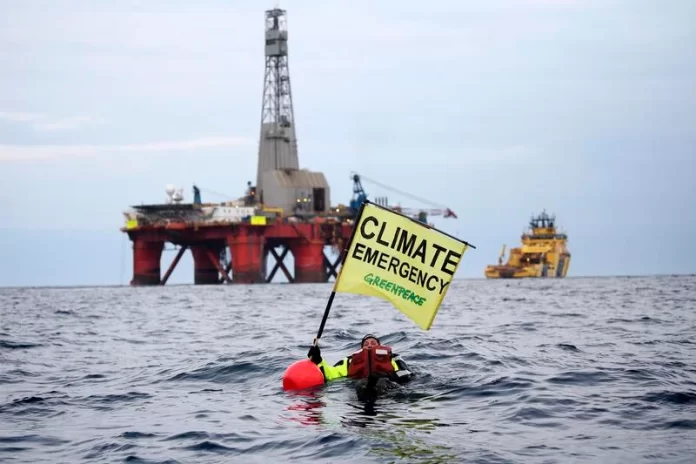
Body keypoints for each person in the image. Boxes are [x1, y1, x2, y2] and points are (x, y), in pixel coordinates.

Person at [307, 334, 414, 386]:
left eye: (373, 343)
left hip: (386, 387)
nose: (370, 345)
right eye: (366, 344)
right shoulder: (349, 362)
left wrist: (389, 376)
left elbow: (408, 375)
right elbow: (330, 373)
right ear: (361, 348)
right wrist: (318, 359)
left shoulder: (392, 358)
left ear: (380, 346)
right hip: (360, 388)